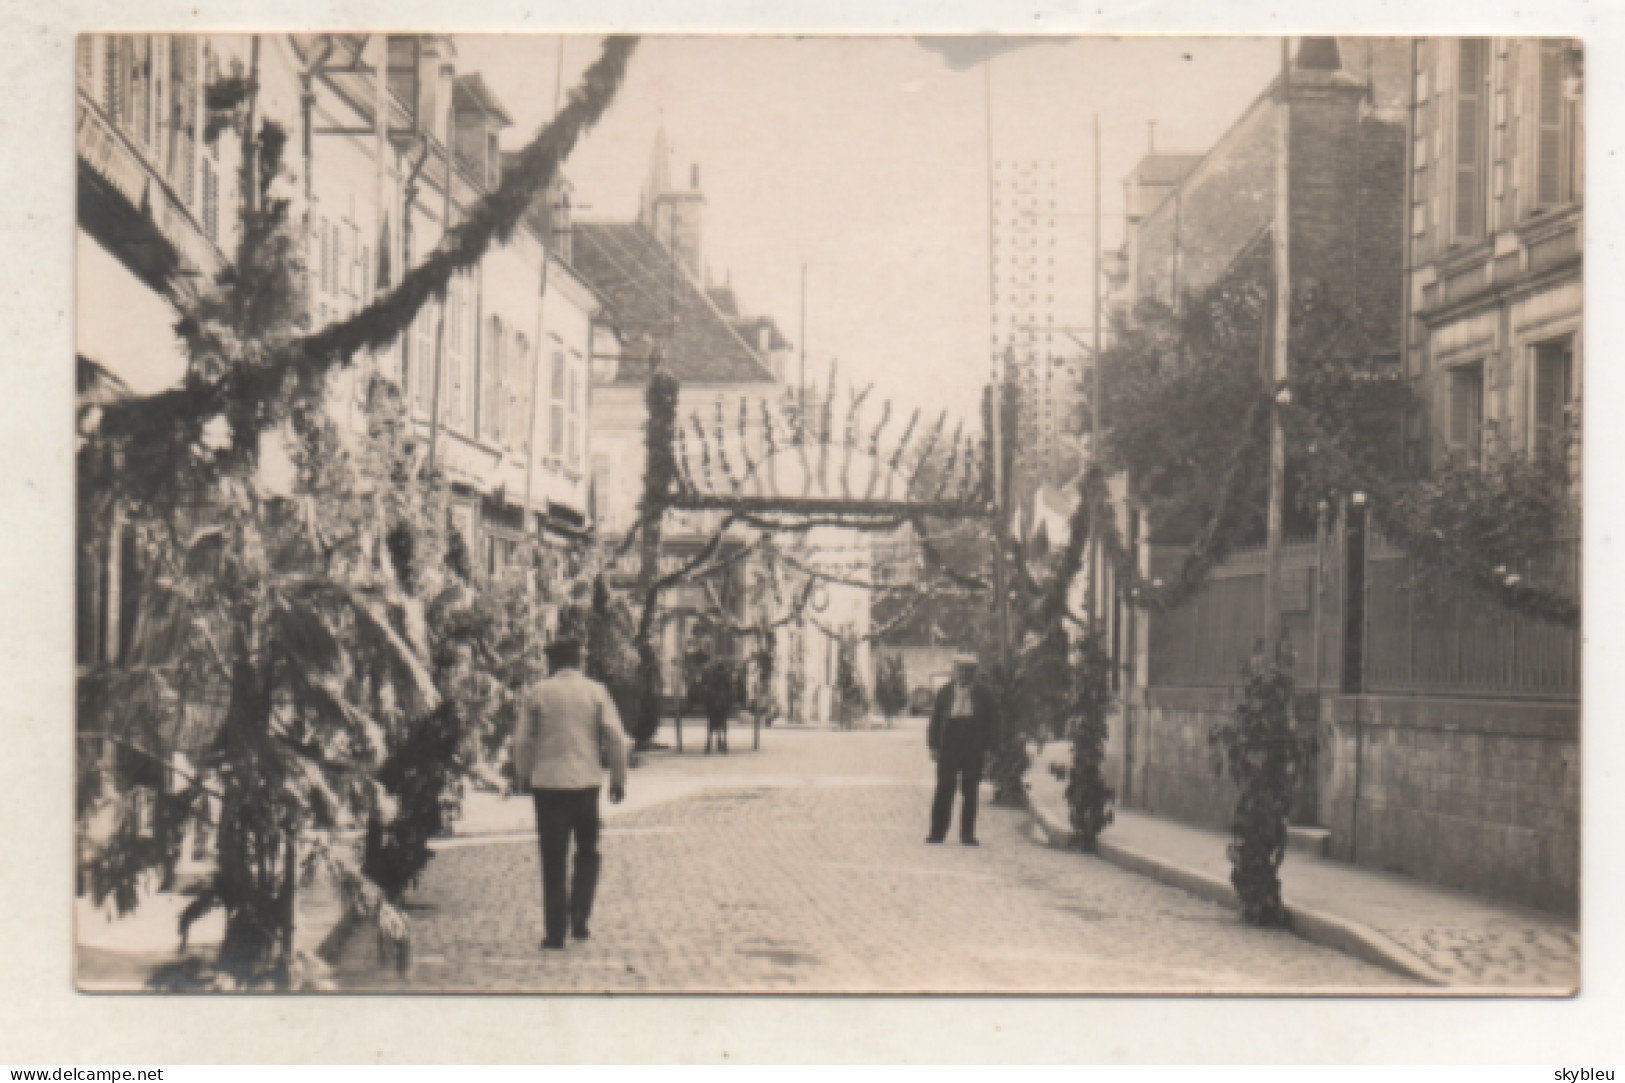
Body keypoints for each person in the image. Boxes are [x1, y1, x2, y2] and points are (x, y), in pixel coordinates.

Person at [512, 637, 629, 950]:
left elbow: (522, 740)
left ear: (552, 662)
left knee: (553, 859)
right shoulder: (595, 691)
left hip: (548, 787)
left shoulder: (538, 693)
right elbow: (617, 738)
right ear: (579, 661)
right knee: (587, 852)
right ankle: (580, 918)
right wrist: (618, 779)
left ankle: (554, 932)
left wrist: (522, 775)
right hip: (586, 785)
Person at [925, 654, 997, 846]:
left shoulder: (985, 694)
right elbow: (936, 720)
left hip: (973, 745)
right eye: (961, 670)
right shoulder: (945, 692)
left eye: (969, 671)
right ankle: (937, 833)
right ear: (954, 672)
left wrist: (989, 748)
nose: (964, 675)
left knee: (970, 791)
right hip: (949, 744)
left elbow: (993, 723)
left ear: (975, 673)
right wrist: (933, 745)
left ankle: (967, 834)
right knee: (944, 789)